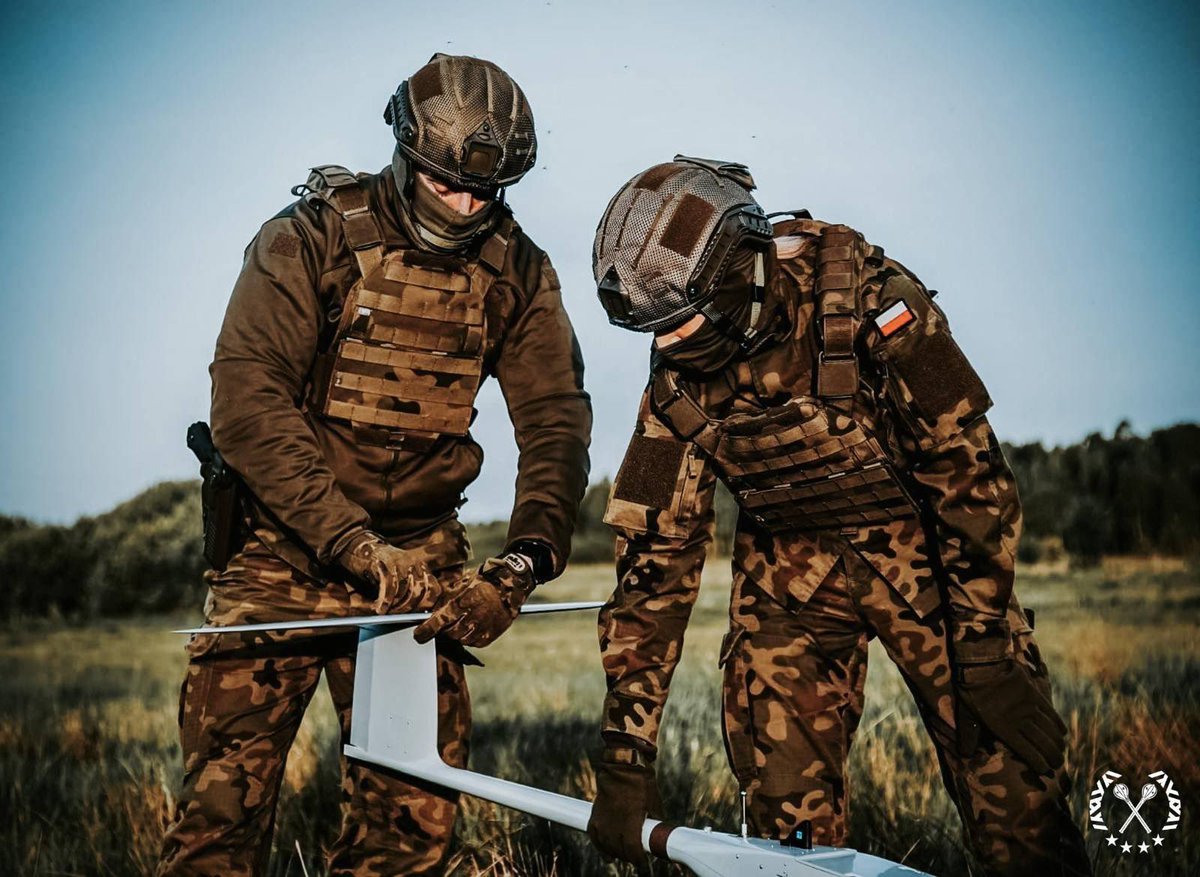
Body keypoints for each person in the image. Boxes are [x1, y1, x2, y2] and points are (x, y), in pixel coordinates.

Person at [585, 156, 1089, 876]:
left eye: (680, 324)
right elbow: (653, 555)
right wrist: (625, 748)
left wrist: (983, 645)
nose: (665, 347)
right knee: (782, 835)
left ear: (737, 276)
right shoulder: (673, 377)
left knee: (1015, 800)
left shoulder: (874, 298)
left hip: (928, 562)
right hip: (788, 574)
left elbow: (968, 474)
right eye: (652, 331)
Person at [157, 54, 591, 877]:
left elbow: (557, 425)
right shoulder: (307, 237)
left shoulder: (520, 272)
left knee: (409, 828)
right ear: (405, 153)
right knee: (220, 823)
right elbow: (248, 405)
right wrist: (352, 545)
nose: (467, 205)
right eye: (446, 184)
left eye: (486, 191)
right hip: (278, 551)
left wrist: (522, 566)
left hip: (420, 569)